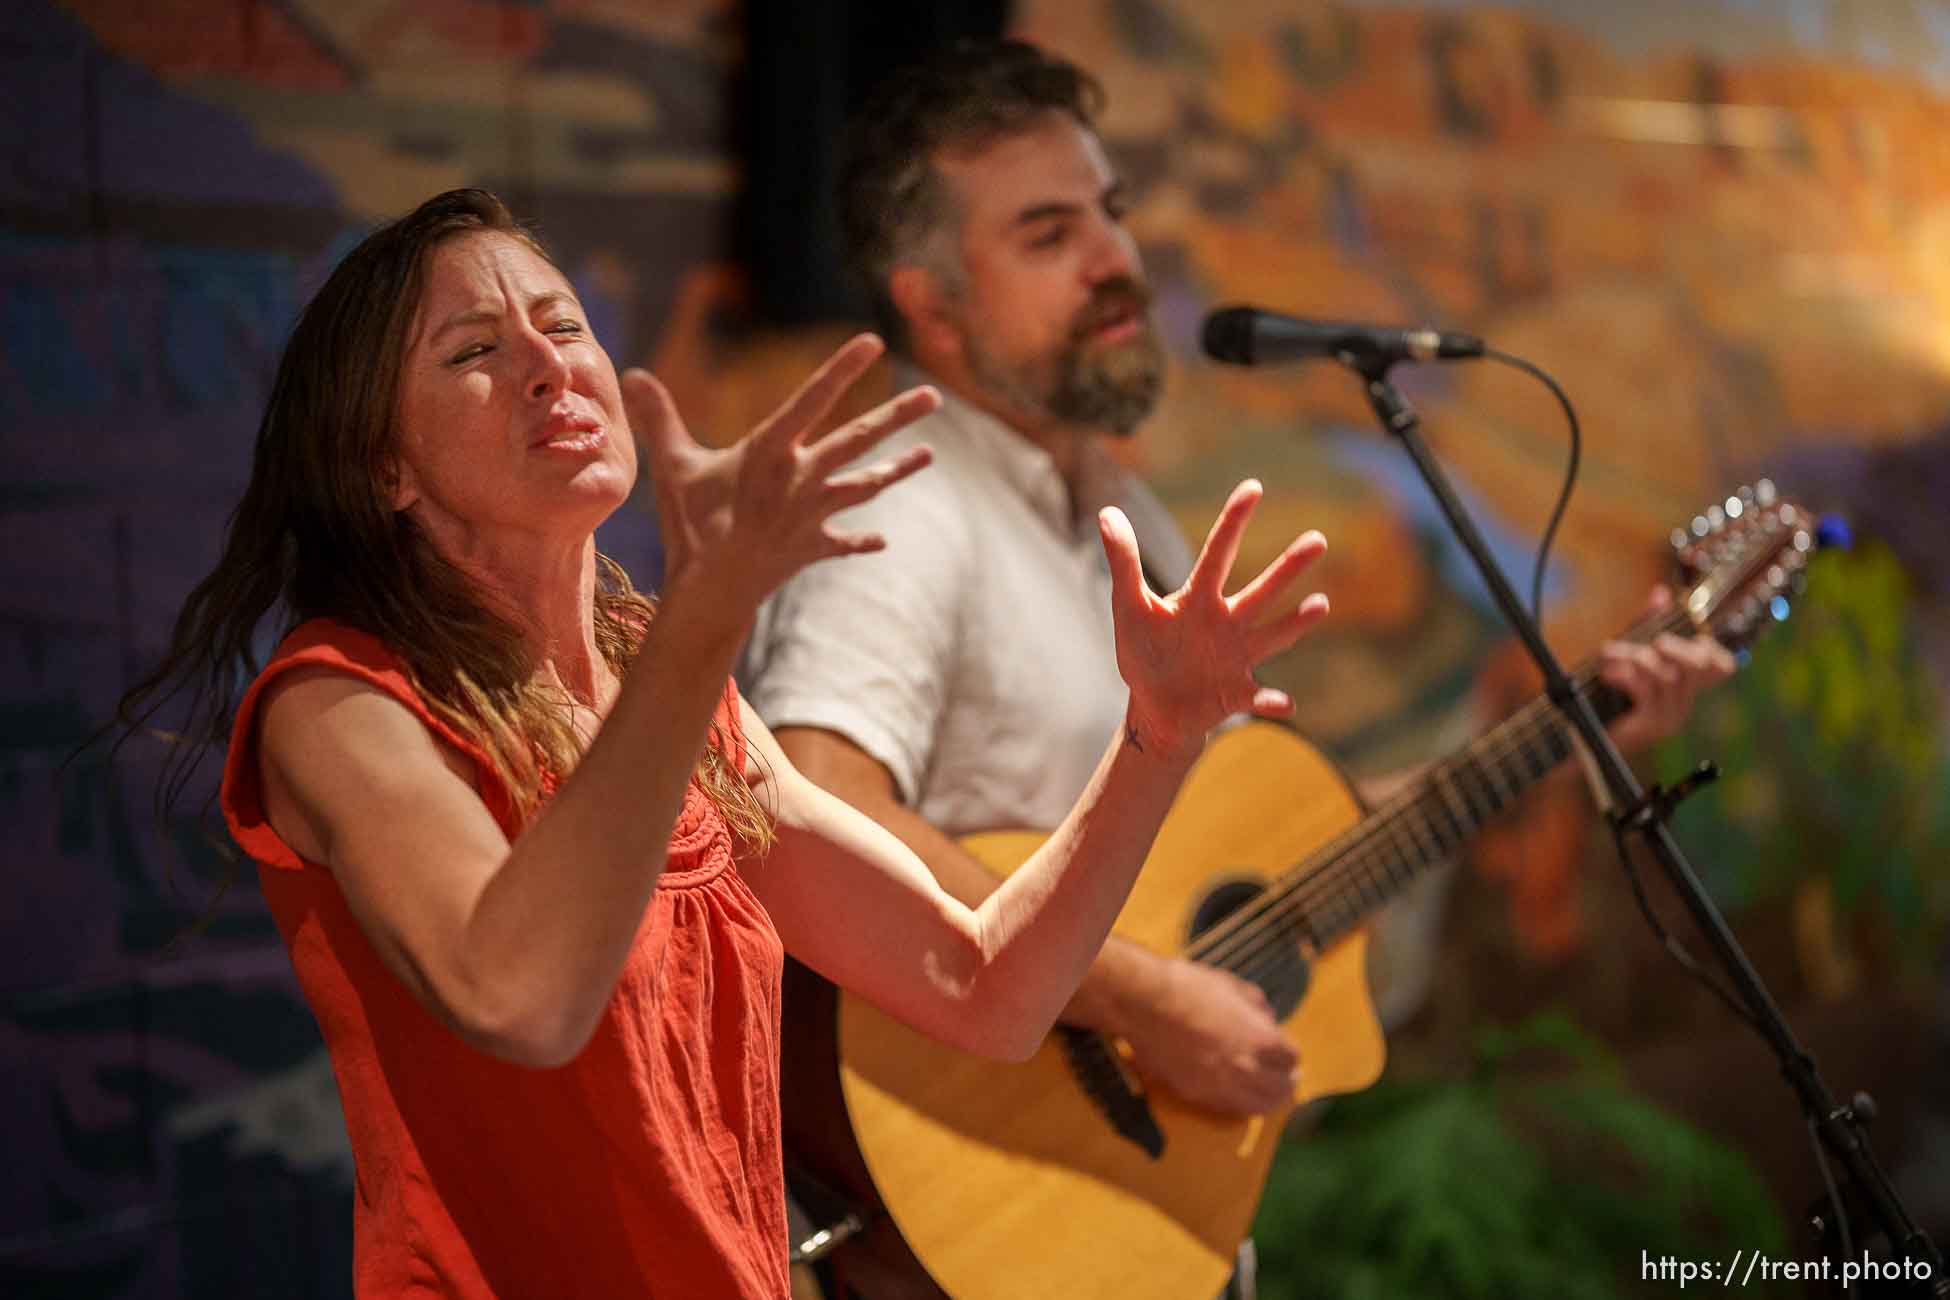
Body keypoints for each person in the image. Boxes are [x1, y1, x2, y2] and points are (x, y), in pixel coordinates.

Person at [109, 187, 1328, 1298]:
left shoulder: (665, 685)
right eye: (476, 353)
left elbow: (987, 987)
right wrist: (704, 620)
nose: (547, 367)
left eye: (564, 325)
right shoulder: (338, 704)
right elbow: (519, 998)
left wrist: (1157, 739)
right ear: (386, 467)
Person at [739, 38, 1736, 1299]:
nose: (1116, 259)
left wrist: (1564, 729)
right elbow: (816, 815)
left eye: (1109, 212)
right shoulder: (908, 504)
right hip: (961, 1201)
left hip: (1134, 1219)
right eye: (1049, 235)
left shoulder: (1115, 508)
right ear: (930, 305)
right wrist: (1148, 1003)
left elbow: (1265, 843)